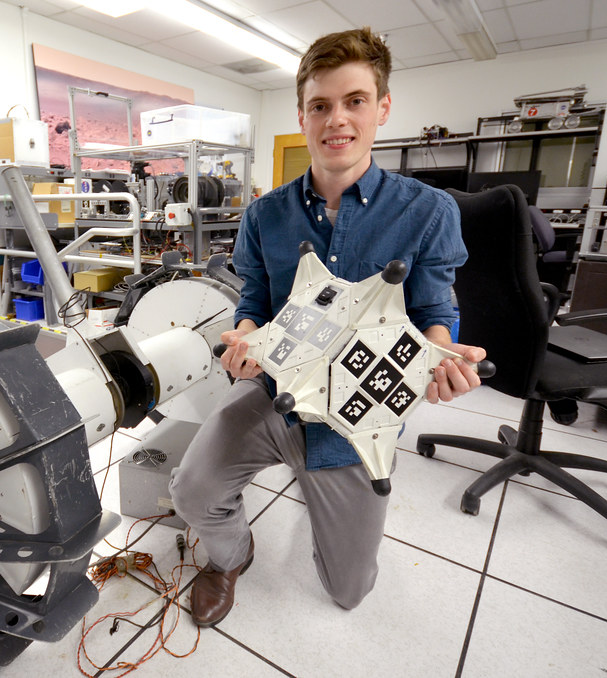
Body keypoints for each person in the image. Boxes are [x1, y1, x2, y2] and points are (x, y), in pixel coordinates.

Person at [168, 27, 487, 627]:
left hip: (356, 410)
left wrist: (438, 359)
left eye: (354, 101)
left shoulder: (428, 211)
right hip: (272, 393)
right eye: (320, 105)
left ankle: (324, 505)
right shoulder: (265, 214)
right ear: (302, 114)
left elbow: (435, 311)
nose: (336, 120)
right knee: (193, 490)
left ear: (382, 108)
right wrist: (243, 333)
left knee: (348, 590)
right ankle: (232, 556)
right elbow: (256, 298)